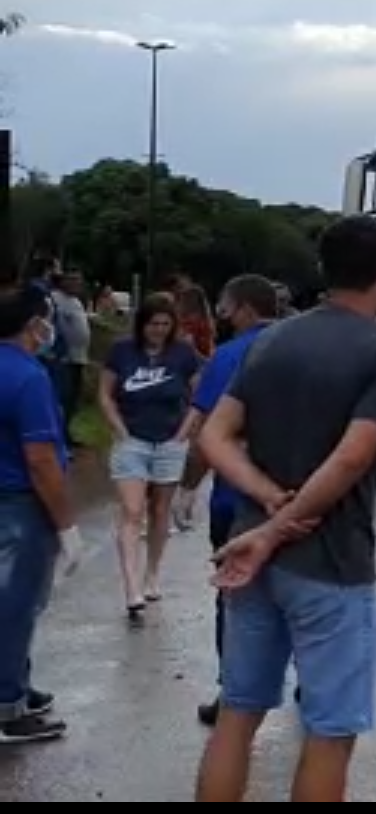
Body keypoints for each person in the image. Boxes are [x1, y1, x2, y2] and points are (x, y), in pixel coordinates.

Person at [193, 215, 376, 804]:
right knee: (329, 731)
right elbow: (351, 457)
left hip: (250, 560)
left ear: (323, 269)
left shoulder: (269, 339)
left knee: (238, 714)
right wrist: (278, 526)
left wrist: (264, 501)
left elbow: (214, 436)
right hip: (329, 565)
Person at [173, 274, 280, 727]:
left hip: (237, 501)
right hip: (304, 497)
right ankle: (309, 686)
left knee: (234, 596)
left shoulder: (232, 355)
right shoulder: (306, 350)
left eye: (225, 305)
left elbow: (205, 428)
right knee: (305, 591)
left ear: (242, 309)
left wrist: (186, 486)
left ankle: (233, 693)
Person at [0, 285, 82, 744]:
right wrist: (67, 524)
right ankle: (7, 706)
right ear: (34, 324)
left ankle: (16, 683)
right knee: (17, 604)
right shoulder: (29, 378)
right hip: (19, 501)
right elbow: (42, 460)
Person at [98, 292, 200, 619]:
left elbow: (200, 397)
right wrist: (119, 430)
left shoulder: (183, 355)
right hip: (133, 440)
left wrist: (184, 433)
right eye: (153, 324)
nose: (158, 330)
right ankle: (131, 586)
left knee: (160, 510)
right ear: (142, 323)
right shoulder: (121, 352)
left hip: (170, 440)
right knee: (132, 509)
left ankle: (152, 573)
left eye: (165, 325)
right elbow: (105, 393)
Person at [49, 271, 90, 444]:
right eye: (72, 279)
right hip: (63, 358)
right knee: (62, 398)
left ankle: (66, 434)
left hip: (79, 357)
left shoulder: (76, 302)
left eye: (79, 280)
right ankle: (57, 436)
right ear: (63, 281)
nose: (76, 284)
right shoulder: (54, 299)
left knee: (73, 398)